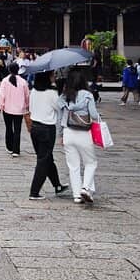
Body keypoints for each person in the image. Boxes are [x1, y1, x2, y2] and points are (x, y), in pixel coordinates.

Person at [58, 70, 102, 204]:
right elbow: (94, 115)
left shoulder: (64, 96)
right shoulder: (87, 95)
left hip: (68, 133)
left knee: (73, 166)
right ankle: (85, 188)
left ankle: (77, 195)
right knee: (90, 162)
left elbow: (60, 118)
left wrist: (60, 134)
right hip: (84, 133)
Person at [25, 71, 68, 200]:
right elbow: (60, 106)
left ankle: (57, 185)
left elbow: (31, 108)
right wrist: (62, 93)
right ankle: (34, 191)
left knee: (47, 158)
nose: (54, 77)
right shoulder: (51, 93)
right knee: (43, 160)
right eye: (52, 75)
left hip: (35, 128)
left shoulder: (34, 92)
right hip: (47, 128)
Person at [0, 63, 30, 156]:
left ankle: (9, 147)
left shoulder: (5, 81)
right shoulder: (23, 82)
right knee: (17, 129)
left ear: (9, 69)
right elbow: (27, 95)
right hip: (19, 109)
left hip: (7, 108)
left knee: (8, 128)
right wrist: (27, 106)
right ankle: (16, 150)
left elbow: (1, 95)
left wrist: (0, 105)